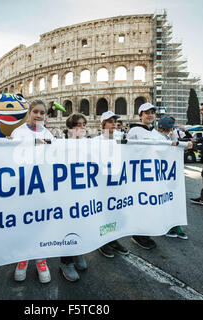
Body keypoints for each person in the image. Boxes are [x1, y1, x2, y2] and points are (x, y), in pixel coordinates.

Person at [11, 99, 53, 284]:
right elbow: (11, 157)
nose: (38, 115)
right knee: (23, 223)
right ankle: (23, 258)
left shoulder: (49, 133)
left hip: (43, 185)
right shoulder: (18, 132)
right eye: (35, 111)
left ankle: (41, 259)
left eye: (42, 112)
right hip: (23, 185)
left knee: (41, 223)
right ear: (29, 112)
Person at [94, 111, 131, 258]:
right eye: (110, 122)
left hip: (117, 182)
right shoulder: (96, 141)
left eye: (115, 122)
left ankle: (113, 240)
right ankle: (103, 242)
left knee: (116, 212)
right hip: (102, 183)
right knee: (103, 213)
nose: (113, 125)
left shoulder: (120, 139)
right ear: (103, 124)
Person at [125, 103, 160, 250]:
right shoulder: (134, 131)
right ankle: (139, 234)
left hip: (151, 174)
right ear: (140, 115)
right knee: (140, 204)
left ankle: (144, 232)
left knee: (148, 204)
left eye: (152, 112)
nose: (150, 115)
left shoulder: (155, 132)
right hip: (138, 174)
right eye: (146, 113)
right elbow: (128, 151)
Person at [59, 113, 89, 282]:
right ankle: (66, 262)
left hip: (83, 193)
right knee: (67, 227)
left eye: (84, 124)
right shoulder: (61, 145)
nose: (82, 127)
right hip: (66, 194)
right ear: (70, 128)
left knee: (81, 224)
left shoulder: (90, 144)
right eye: (78, 125)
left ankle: (78, 251)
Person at [156, 117, 193, 239]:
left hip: (171, 173)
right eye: (168, 128)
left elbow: (178, 146)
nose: (169, 130)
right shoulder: (157, 137)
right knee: (165, 200)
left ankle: (175, 225)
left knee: (174, 199)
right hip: (161, 174)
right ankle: (167, 225)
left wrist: (174, 138)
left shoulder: (171, 136)